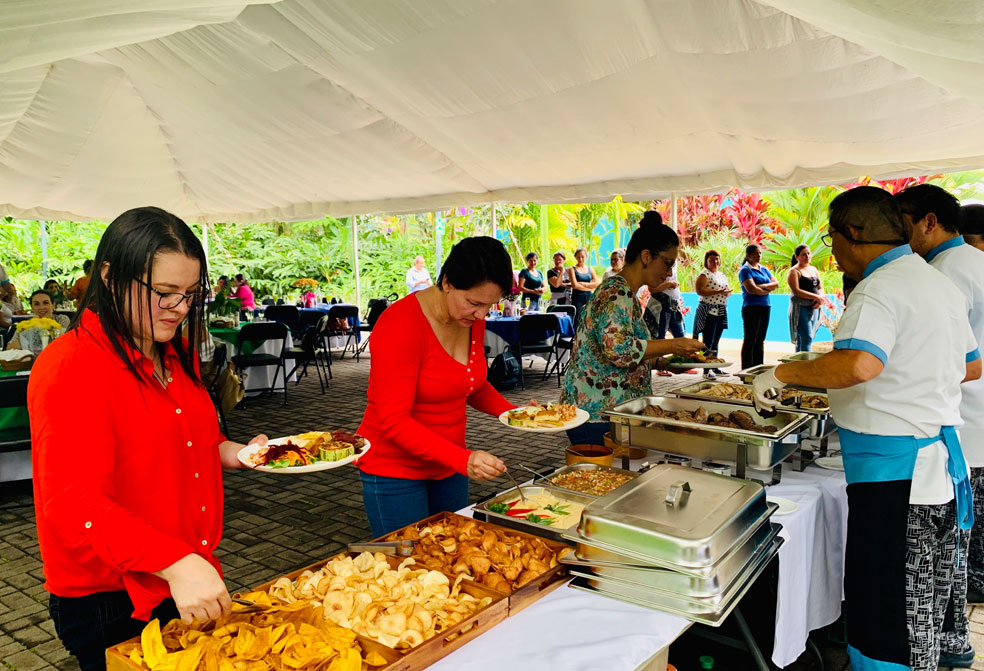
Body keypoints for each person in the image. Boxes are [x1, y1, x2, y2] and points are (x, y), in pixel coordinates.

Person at [29, 206, 269, 671]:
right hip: (111, 596)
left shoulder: (173, 352)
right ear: (109, 276)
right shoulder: (71, 366)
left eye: (189, 295)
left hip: (178, 574)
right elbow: (72, 501)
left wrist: (234, 453)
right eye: (163, 293)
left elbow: (190, 436)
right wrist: (177, 562)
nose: (179, 309)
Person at [752, 186, 980, 671]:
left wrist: (781, 373)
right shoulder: (934, 282)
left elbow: (858, 364)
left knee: (887, 605)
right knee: (920, 598)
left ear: (852, 235)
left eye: (832, 239)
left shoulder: (881, 287)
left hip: (898, 477)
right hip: (934, 464)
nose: (831, 255)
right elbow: (970, 364)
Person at [357, 236, 514, 537]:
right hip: (395, 469)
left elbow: (471, 384)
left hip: (449, 465)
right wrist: (464, 459)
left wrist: (516, 413)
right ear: (447, 283)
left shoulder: (470, 319)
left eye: (490, 306)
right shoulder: (400, 324)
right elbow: (394, 421)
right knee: (410, 567)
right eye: (474, 303)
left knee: (452, 550)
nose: (482, 315)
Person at [898, 184, 984, 668]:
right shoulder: (975, 262)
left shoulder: (944, 273)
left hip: (957, 429)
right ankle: (953, 640)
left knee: (938, 553)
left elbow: (961, 363)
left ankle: (939, 645)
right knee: (956, 546)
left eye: (902, 221)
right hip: (972, 427)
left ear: (929, 221)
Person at [560, 211, 704, 446]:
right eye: (667, 263)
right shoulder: (616, 293)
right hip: (597, 416)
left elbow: (622, 349)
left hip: (609, 412)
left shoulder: (625, 292)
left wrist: (662, 362)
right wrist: (672, 344)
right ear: (646, 256)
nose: (669, 272)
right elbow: (618, 350)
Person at [692, 250, 731, 378]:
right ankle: (706, 370)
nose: (714, 262)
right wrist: (718, 291)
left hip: (720, 310)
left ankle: (714, 366)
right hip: (709, 311)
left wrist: (726, 292)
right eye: (711, 260)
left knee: (715, 341)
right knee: (707, 342)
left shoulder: (721, 275)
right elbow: (700, 290)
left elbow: (726, 290)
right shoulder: (704, 275)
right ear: (706, 262)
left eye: (716, 259)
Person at [738, 244, 778, 369]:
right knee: (750, 338)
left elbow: (776, 284)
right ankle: (747, 368)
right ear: (748, 256)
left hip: (765, 306)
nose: (759, 256)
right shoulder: (745, 270)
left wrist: (760, 287)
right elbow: (751, 289)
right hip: (751, 307)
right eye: (756, 253)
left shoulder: (764, 269)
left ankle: (758, 367)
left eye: (760, 253)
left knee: (760, 339)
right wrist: (766, 288)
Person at [787, 244, 825, 352]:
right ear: (797, 257)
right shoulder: (794, 271)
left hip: (814, 307)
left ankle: (798, 363)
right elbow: (797, 291)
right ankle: (805, 363)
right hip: (801, 308)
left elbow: (820, 287)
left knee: (808, 337)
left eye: (808, 253)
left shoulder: (813, 270)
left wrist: (820, 299)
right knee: (806, 337)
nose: (807, 256)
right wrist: (816, 297)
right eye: (804, 254)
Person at [5, 290, 70, 351]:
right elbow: (10, 347)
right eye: (37, 304)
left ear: (53, 305)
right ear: (32, 307)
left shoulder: (62, 319)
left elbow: (64, 341)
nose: (41, 307)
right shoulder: (26, 325)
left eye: (46, 303)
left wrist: (26, 342)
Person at [649, 266, 685, 340]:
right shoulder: (656, 266)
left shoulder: (673, 264)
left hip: (674, 305)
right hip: (662, 305)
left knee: (680, 336)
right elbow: (651, 289)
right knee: (660, 336)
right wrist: (668, 284)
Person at [568, 247, 600, 327]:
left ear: (586, 257)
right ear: (575, 257)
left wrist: (584, 284)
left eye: (583, 256)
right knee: (578, 318)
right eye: (578, 257)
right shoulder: (572, 269)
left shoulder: (590, 269)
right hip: (577, 297)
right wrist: (590, 287)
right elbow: (575, 285)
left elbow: (597, 283)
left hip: (590, 297)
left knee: (590, 318)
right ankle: (575, 338)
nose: (581, 259)